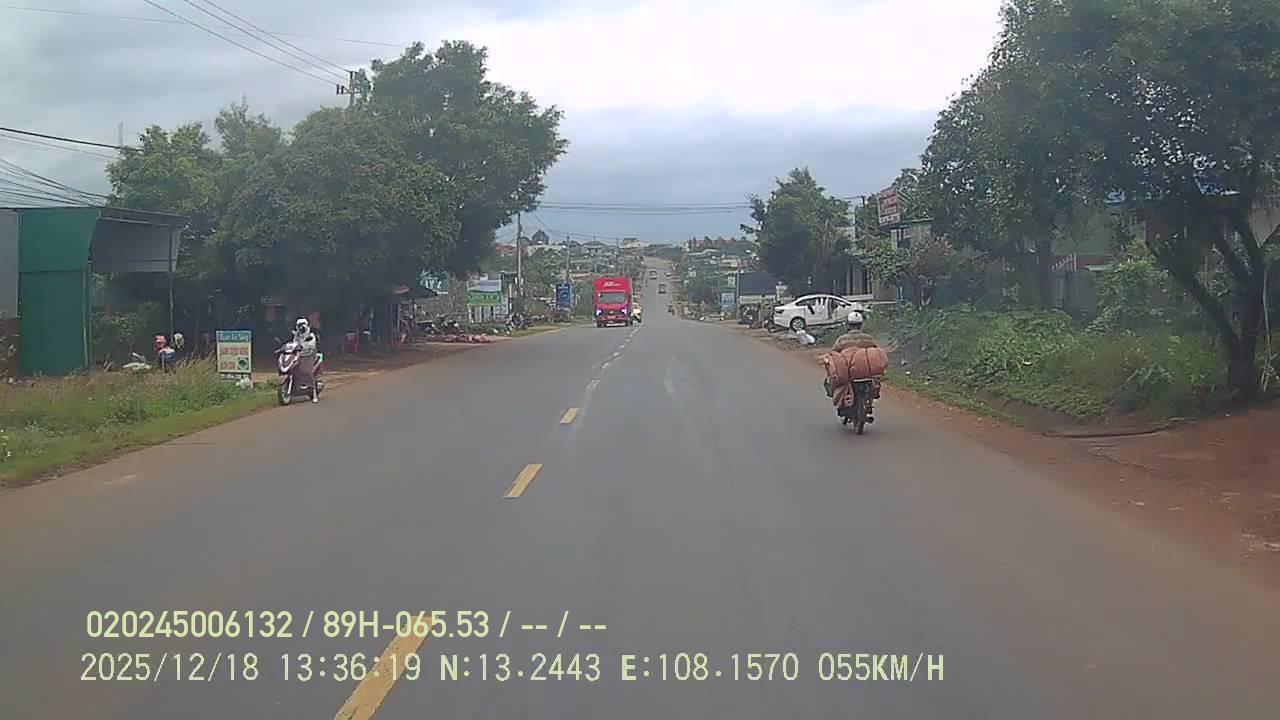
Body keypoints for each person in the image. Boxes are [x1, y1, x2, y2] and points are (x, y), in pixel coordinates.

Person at [292, 317, 320, 402]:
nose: (301, 327)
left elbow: (312, 345)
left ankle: (314, 393)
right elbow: (294, 343)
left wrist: (303, 346)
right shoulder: (297, 335)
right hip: (299, 355)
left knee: (307, 371)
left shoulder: (310, 335)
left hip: (309, 355)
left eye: (302, 325)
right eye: (299, 325)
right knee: (294, 368)